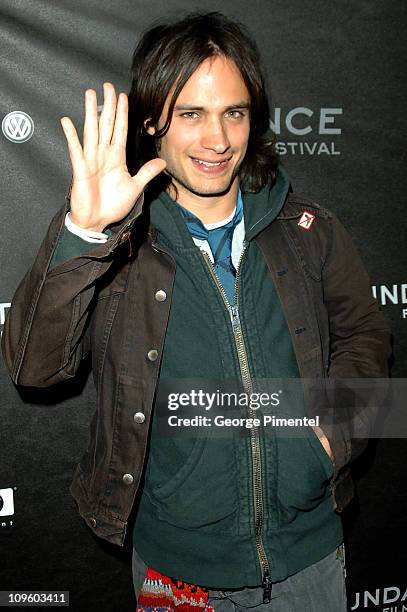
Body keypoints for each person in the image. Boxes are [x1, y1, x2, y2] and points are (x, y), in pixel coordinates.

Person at [2, 11, 391, 612]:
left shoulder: (309, 230)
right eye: (192, 114)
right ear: (154, 122)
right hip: (175, 576)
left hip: (311, 560)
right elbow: (33, 369)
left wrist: (330, 438)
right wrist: (84, 233)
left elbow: (367, 335)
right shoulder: (116, 243)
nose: (218, 140)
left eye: (233, 113)